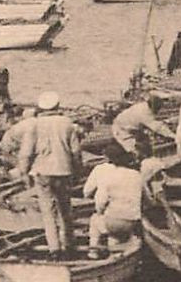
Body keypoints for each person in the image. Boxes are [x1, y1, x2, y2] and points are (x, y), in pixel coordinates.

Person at [18, 91, 84, 254]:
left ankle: (54, 248)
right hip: (63, 171)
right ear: (58, 106)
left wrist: (24, 173)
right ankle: (68, 244)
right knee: (65, 210)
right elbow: (76, 152)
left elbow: (26, 153)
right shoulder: (67, 123)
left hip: (42, 172)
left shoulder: (34, 124)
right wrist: (78, 171)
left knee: (48, 212)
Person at [82, 143, 142, 255]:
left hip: (113, 221)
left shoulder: (108, 175)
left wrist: (100, 212)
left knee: (95, 220)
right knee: (115, 235)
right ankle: (116, 254)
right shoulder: (137, 174)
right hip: (132, 221)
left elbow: (100, 202)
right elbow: (145, 198)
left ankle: (93, 252)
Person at [112, 95, 178, 160]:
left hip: (130, 126)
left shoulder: (143, 106)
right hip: (122, 130)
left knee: (145, 142)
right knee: (134, 151)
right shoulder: (144, 113)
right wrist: (174, 136)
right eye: (158, 108)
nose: (158, 111)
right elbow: (158, 128)